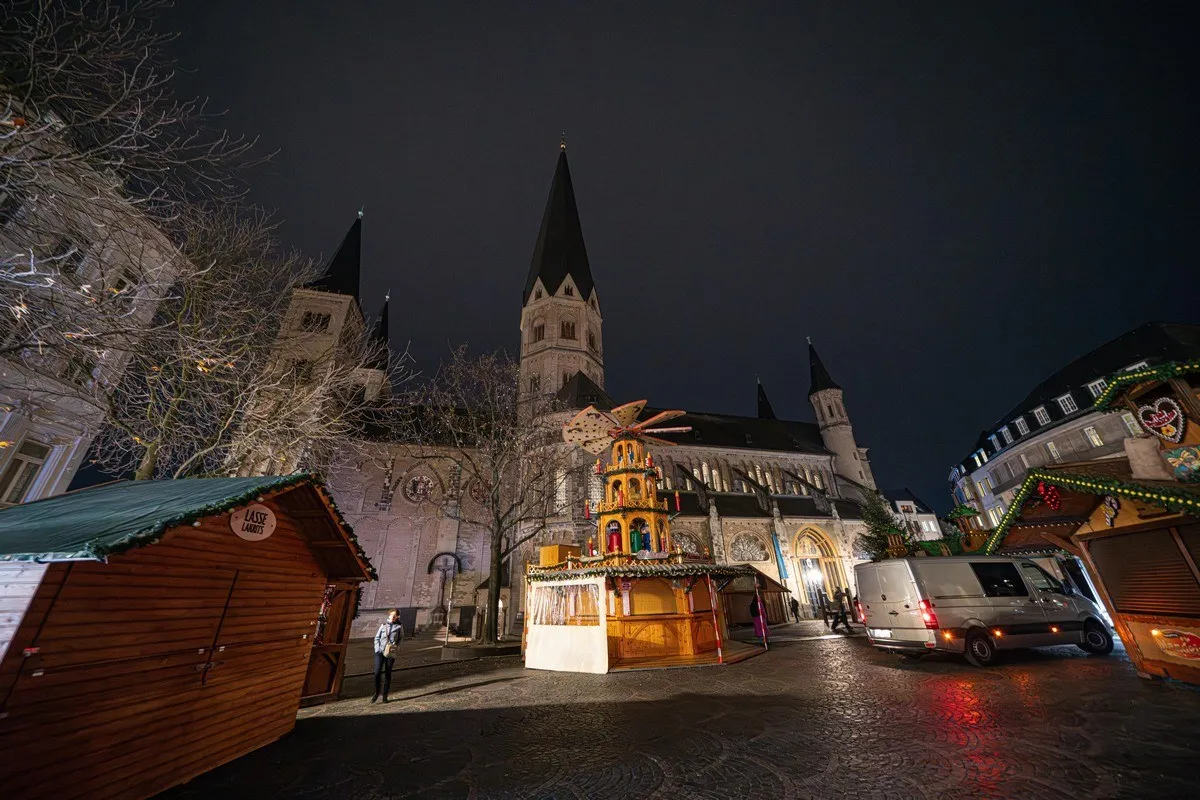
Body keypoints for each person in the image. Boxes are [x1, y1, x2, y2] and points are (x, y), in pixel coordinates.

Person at [372, 609, 404, 703]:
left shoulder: (399, 626)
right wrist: (377, 649)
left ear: (397, 617)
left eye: (395, 616)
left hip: (390, 653)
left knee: (387, 674)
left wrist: (397, 647)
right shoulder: (383, 625)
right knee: (377, 673)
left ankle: (385, 695)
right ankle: (376, 693)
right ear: (389, 615)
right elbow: (377, 638)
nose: (392, 617)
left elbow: (401, 638)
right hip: (380, 652)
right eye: (391, 615)